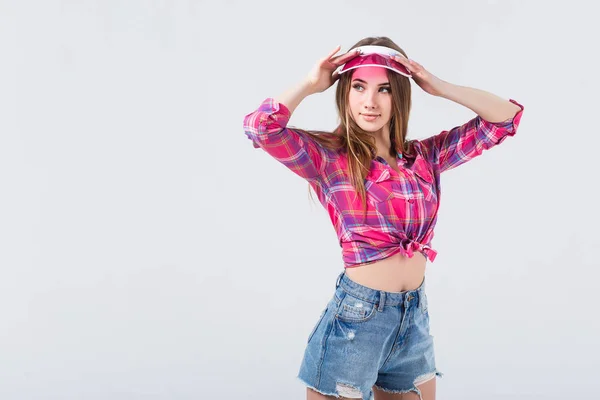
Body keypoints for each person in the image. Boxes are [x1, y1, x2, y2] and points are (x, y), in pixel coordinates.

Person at [242, 36, 524, 400]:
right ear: (345, 92)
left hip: (414, 321)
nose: (370, 101)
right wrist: (311, 85)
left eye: (385, 89)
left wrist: (438, 87)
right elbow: (260, 128)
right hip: (356, 325)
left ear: (400, 97)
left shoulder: (425, 156)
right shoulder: (329, 158)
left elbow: (504, 119)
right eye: (359, 86)